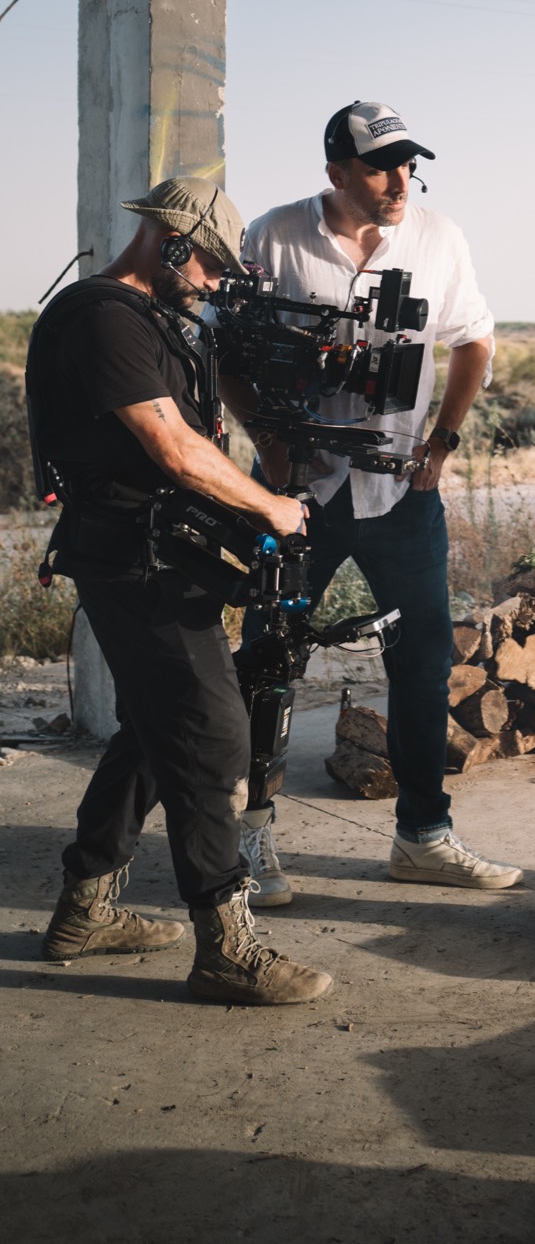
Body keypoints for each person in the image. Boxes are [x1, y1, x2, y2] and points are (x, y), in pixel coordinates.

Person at [26, 177, 331, 1006]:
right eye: (209, 271)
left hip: (159, 556)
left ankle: (84, 909)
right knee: (211, 737)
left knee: (157, 724)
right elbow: (170, 446)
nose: (211, 286)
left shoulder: (153, 319)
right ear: (174, 246)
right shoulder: (103, 319)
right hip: (131, 560)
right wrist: (269, 502)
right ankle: (226, 946)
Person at [237, 100, 522, 902]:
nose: (400, 181)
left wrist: (445, 438)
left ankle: (423, 837)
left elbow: (474, 339)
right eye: (380, 166)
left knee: (425, 660)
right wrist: (272, 443)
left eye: (408, 164)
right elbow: (225, 349)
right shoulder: (273, 235)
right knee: (269, 659)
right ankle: (249, 838)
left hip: (401, 487)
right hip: (299, 493)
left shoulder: (439, 237)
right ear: (336, 173)